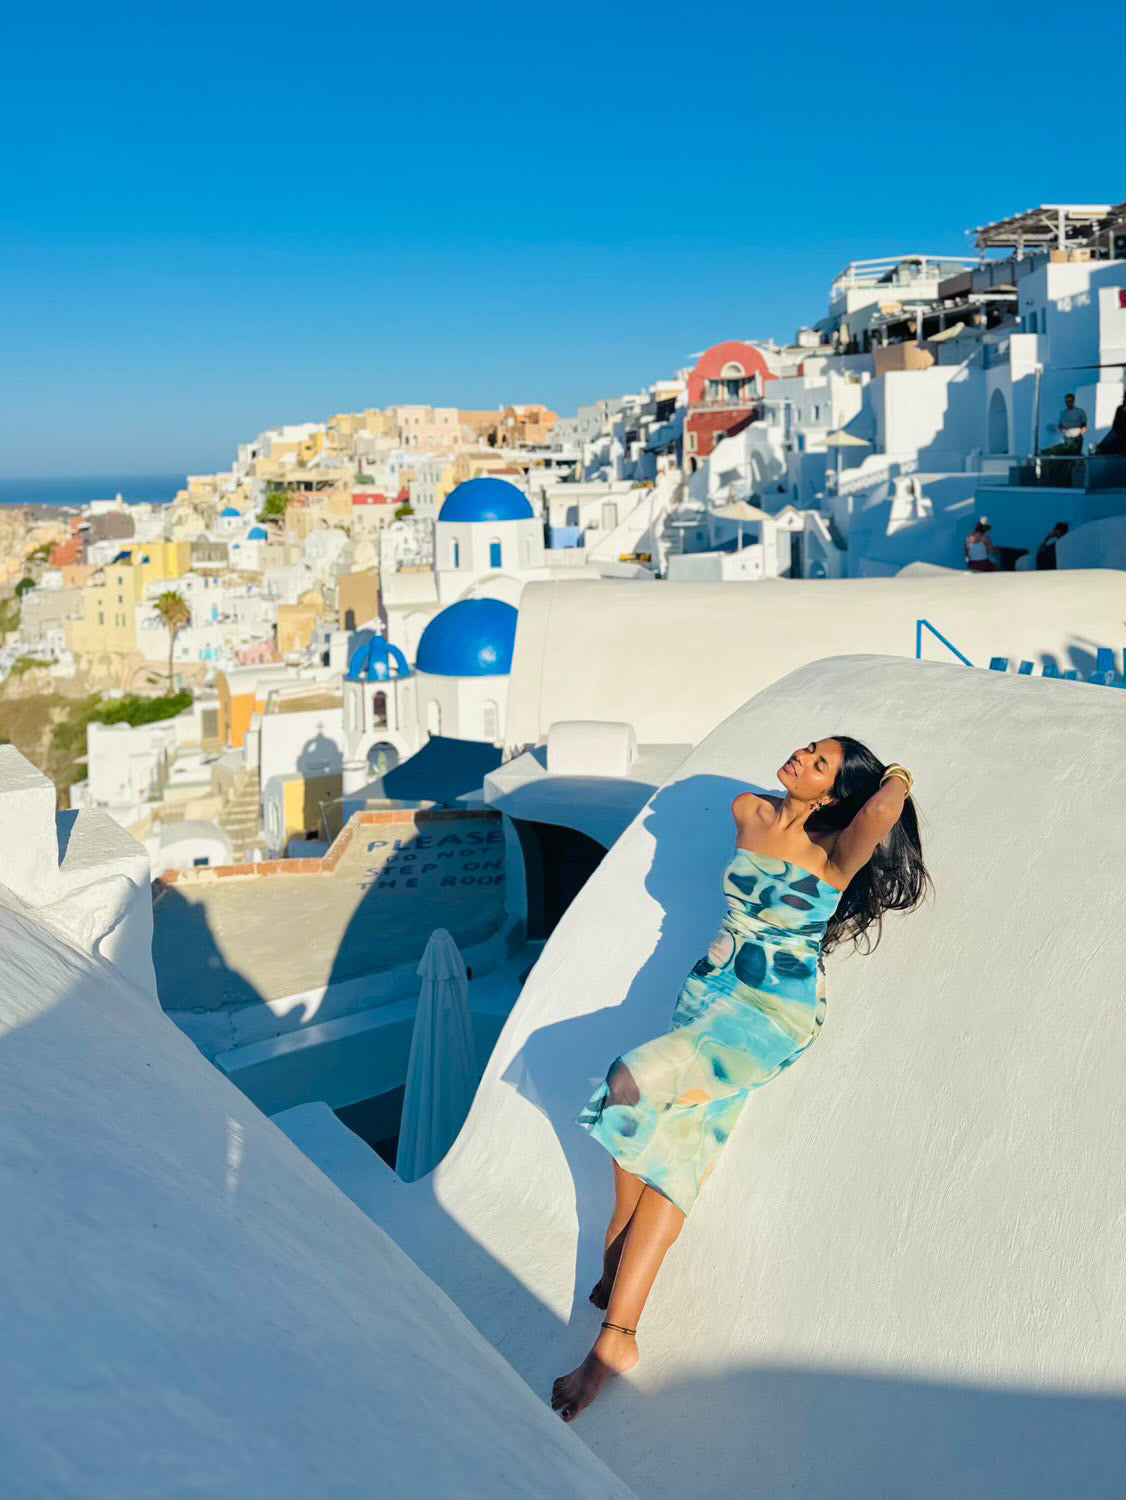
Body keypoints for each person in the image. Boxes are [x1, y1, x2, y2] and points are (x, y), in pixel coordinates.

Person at [552, 739, 929, 1423]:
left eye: (821, 765)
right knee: (679, 1152)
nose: (802, 757)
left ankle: (616, 1241)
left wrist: (893, 772)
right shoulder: (747, 811)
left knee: (628, 1080)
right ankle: (618, 1341)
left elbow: (883, 808)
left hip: (771, 1014)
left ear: (836, 795)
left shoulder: (838, 848)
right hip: (705, 997)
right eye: (810, 748)